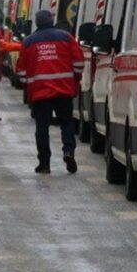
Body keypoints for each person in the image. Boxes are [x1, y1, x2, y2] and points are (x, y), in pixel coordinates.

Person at [17, 10, 85, 174]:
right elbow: (79, 63)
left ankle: (44, 163)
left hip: (40, 94)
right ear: (51, 21)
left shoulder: (28, 42)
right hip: (63, 90)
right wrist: (74, 78)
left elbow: (21, 72)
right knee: (67, 123)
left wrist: (29, 86)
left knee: (42, 128)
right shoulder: (66, 37)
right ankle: (68, 151)